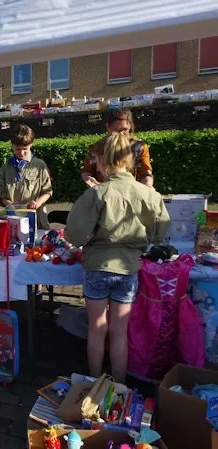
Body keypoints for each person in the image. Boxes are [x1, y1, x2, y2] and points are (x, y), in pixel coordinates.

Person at [65, 133, 170, 384]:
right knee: (119, 331)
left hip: (98, 267)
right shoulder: (148, 193)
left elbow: (74, 234)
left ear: (103, 160)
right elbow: (161, 231)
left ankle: (94, 382)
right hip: (128, 268)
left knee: (97, 328)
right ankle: (120, 386)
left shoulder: (97, 193)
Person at [0, 124, 53, 230]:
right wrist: (10, 205)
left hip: (37, 219)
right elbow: (1, 195)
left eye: (25, 149)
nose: (21, 153)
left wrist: (37, 203)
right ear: (12, 145)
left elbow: (47, 191)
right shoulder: (5, 168)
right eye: (17, 149)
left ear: (31, 144)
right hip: (13, 219)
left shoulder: (39, 165)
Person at [81, 108, 153, 188]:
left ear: (130, 126)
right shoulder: (97, 148)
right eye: (116, 131)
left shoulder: (139, 147)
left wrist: (147, 184)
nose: (121, 134)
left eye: (125, 130)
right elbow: (86, 171)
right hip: (103, 191)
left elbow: (146, 174)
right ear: (108, 127)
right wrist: (90, 180)